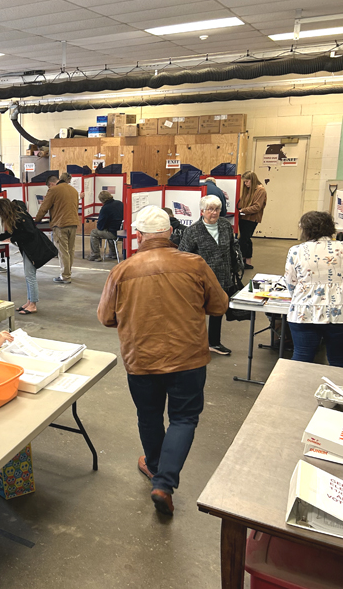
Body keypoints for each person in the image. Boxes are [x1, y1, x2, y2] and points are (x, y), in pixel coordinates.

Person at [97, 205, 228, 516]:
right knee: (183, 418)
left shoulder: (122, 271)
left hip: (141, 359)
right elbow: (219, 305)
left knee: (149, 415)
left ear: (138, 236)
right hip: (188, 358)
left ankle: (156, 469)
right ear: (171, 232)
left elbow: (105, 317)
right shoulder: (195, 264)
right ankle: (163, 483)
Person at [284, 211, 343, 368]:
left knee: (302, 357)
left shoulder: (297, 250)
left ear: (305, 229)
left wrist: (303, 294)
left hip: (304, 312)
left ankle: (296, 391)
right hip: (341, 312)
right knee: (338, 359)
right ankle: (337, 392)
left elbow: (290, 283)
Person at [179, 195, 236, 356]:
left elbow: (231, 247)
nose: (214, 213)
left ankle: (214, 343)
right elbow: (183, 255)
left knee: (218, 310)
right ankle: (193, 343)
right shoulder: (193, 231)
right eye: (210, 209)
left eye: (217, 209)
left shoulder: (225, 226)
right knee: (197, 311)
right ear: (202, 211)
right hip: (201, 278)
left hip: (223, 275)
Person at [0, 198, 57, 314]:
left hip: (32, 248)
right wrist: (0, 237)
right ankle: (29, 301)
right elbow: (16, 232)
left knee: (30, 276)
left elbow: (30, 232)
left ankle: (33, 304)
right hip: (28, 248)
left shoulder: (19, 216)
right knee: (29, 276)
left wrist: (12, 239)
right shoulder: (16, 214)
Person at [35, 171, 79, 284]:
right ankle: (68, 273)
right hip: (73, 223)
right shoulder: (73, 190)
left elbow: (44, 207)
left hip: (60, 225)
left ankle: (65, 276)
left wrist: (36, 221)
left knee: (63, 251)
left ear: (52, 183)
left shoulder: (53, 190)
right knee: (70, 250)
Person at [238, 171, 268, 269]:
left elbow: (257, 207)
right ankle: (247, 262)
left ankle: (243, 261)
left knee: (244, 240)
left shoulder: (260, 190)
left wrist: (243, 210)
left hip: (251, 218)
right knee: (245, 239)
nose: (245, 184)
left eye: (247, 182)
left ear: (252, 180)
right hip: (244, 217)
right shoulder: (249, 189)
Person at [88, 190, 123, 261]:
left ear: (102, 200)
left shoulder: (105, 208)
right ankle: (113, 253)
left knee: (94, 232)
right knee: (109, 229)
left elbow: (100, 226)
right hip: (123, 232)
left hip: (113, 233)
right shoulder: (120, 203)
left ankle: (95, 255)